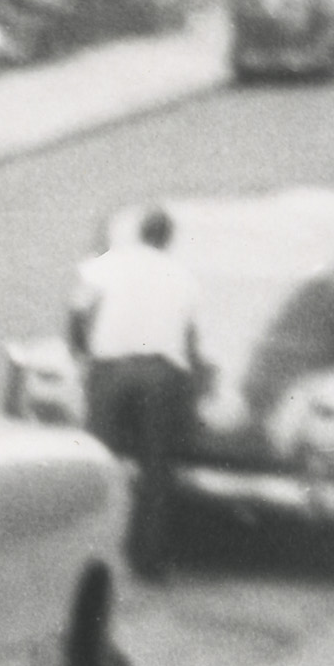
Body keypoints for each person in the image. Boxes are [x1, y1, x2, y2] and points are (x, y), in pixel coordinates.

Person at [67, 205, 203, 582]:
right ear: (168, 239)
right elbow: (190, 335)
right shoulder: (185, 277)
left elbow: (78, 310)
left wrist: (80, 350)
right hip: (161, 374)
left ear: (140, 233)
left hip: (110, 370)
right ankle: (148, 560)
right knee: (156, 467)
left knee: (99, 462)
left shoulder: (109, 263)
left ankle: (89, 555)